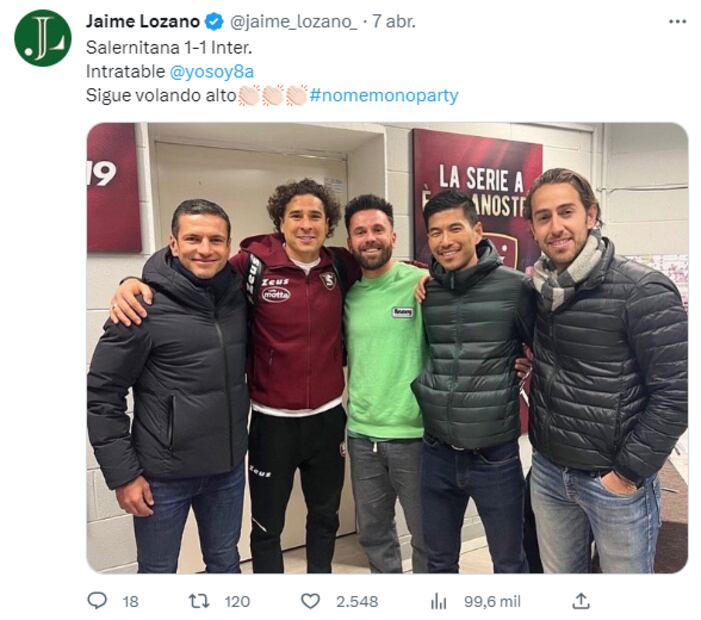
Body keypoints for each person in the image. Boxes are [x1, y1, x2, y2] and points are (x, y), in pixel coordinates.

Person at [109, 179, 360, 573]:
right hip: (271, 422)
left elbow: (383, 268)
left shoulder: (341, 266)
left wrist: (420, 274)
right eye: (296, 215)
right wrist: (131, 281)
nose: (306, 224)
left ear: (328, 224)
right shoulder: (251, 264)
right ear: (281, 222)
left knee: (325, 519)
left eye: (315, 216)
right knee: (266, 528)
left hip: (328, 419)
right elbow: (190, 267)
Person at [523, 168, 688, 573]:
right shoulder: (540, 290)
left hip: (614, 485)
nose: (556, 227)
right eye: (544, 217)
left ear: (591, 214)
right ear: (532, 228)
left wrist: (626, 474)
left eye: (566, 212)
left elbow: (678, 393)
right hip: (549, 475)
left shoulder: (642, 290)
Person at [87, 199, 249, 573]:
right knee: (158, 574)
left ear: (228, 245)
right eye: (193, 238)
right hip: (162, 478)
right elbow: (102, 394)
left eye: (216, 240)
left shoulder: (238, 298)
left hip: (226, 470)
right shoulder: (141, 306)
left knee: (226, 563)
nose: (205, 249)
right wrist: (124, 475)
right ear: (173, 244)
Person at [411, 189, 536, 573]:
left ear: (477, 231)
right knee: (438, 562)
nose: (445, 240)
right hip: (436, 451)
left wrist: (527, 366)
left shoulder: (516, 287)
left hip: (493, 456)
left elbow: (545, 352)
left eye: (455, 228)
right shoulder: (427, 290)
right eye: (435, 232)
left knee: (509, 563)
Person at [343, 194, 428, 573]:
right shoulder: (348, 296)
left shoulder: (421, 282)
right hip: (362, 437)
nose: (370, 238)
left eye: (378, 229)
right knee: (374, 535)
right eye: (360, 232)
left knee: (427, 536)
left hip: (415, 436)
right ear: (350, 242)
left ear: (393, 236)